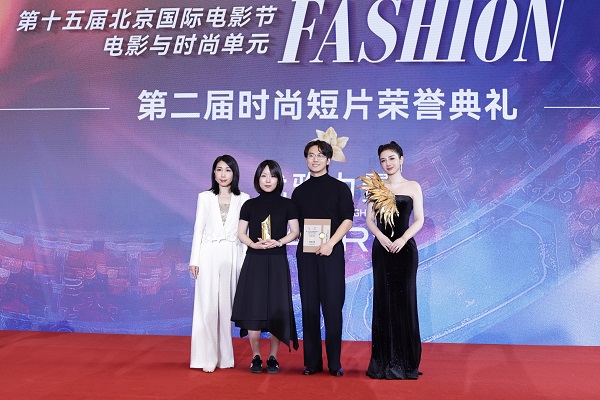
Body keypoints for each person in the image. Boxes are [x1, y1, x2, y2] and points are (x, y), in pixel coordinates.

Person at [361, 141, 424, 380]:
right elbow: (369, 220)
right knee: (383, 301)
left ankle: (406, 363)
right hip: (382, 249)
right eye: (383, 160)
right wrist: (381, 237)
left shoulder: (413, 186)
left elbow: (419, 219)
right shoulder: (375, 186)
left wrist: (403, 238)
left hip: (405, 250)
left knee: (404, 301)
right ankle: (383, 362)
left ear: (401, 159)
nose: (387, 164)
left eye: (391, 159)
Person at [291, 140, 354, 377]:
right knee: (309, 308)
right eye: (310, 155)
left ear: (328, 160)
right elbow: (296, 227)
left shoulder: (339, 188)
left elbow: (347, 220)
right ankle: (312, 362)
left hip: (332, 253)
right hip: (306, 256)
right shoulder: (299, 192)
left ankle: (335, 363)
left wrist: (330, 243)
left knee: (332, 308)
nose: (315, 159)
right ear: (306, 159)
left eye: (320, 155)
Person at [231, 160, 300, 374]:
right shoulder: (249, 205)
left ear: (279, 179)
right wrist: (253, 244)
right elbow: (241, 232)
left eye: (272, 175)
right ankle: (255, 356)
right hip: (255, 260)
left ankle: (273, 357)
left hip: (277, 260)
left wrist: (279, 242)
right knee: (254, 308)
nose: (268, 180)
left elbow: (295, 232)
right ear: (257, 179)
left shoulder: (288, 204)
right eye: (263, 176)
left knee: (276, 309)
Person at [189, 155, 250, 373]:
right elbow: (198, 229)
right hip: (208, 254)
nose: (223, 175)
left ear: (235, 173)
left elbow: (245, 234)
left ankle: (225, 357)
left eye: (228, 170)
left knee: (226, 308)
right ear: (214, 173)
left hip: (232, 255)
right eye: (219, 170)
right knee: (206, 306)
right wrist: (194, 259)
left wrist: (245, 263)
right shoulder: (204, 197)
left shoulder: (244, 199)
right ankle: (205, 357)